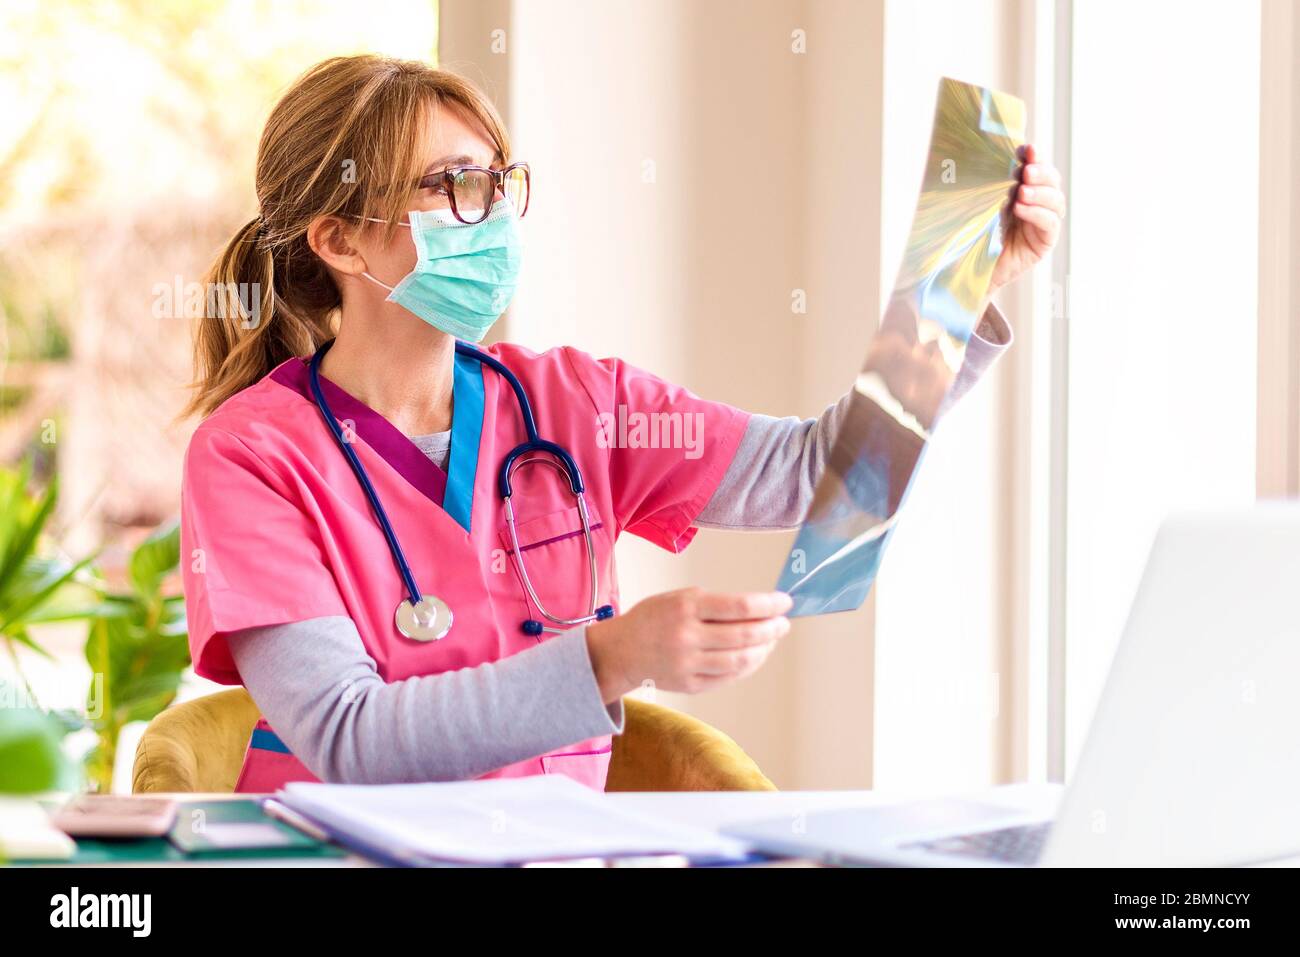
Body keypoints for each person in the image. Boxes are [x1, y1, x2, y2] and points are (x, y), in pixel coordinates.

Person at [180, 55, 1064, 791]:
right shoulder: (250, 457)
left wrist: (960, 296)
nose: (489, 216)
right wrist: (610, 657)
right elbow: (350, 738)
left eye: (497, 182)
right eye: (453, 187)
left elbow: (814, 473)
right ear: (337, 239)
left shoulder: (578, 406)